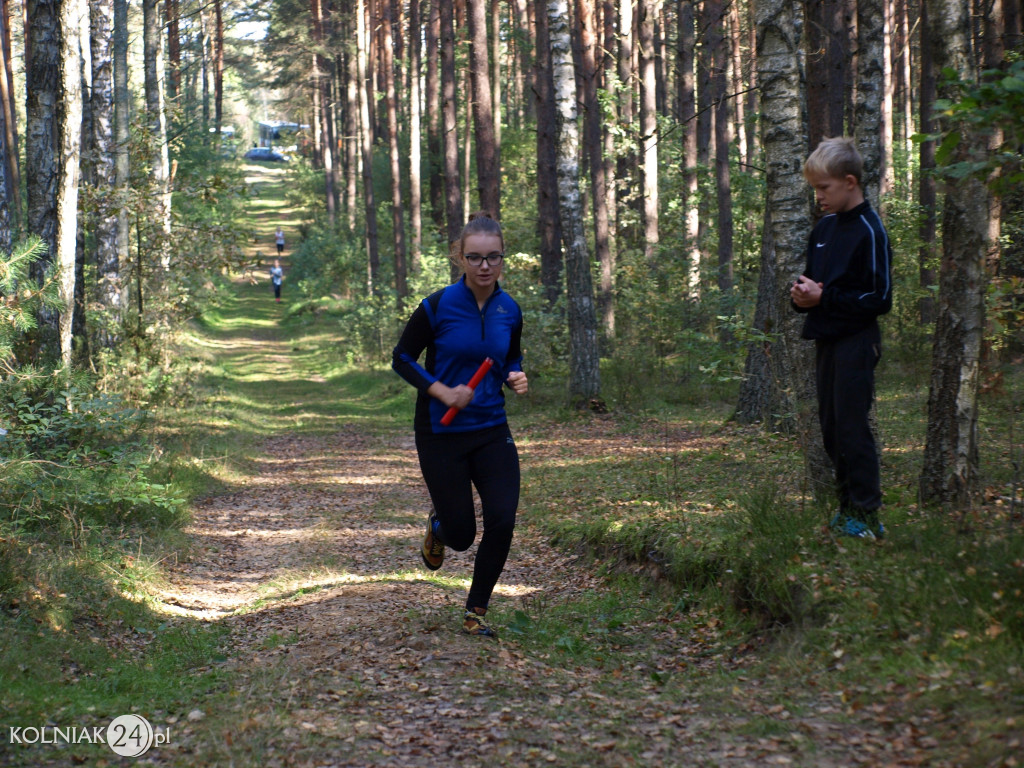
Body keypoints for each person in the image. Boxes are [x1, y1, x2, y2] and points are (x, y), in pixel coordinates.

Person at [392, 212, 529, 637]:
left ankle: (476, 612)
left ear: (503, 259)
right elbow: (402, 358)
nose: (484, 266)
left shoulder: (510, 309)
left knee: (503, 519)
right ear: (460, 258)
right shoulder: (436, 305)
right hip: (441, 432)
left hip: (491, 428)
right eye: (475, 257)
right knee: (462, 536)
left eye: (493, 257)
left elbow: (510, 357)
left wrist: (516, 374)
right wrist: (441, 391)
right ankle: (439, 525)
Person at [791, 137, 893, 540]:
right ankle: (847, 510)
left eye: (824, 188)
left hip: (857, 341)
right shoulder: (824, 227)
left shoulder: (870, 230)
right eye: (815, 189)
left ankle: (867, 516)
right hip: (826, 339)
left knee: (852, 428)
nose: (819, 197)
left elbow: (879, 298)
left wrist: (824, 298)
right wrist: (802, 298)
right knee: (832, 429)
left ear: (850, 182)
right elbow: (814, 285)